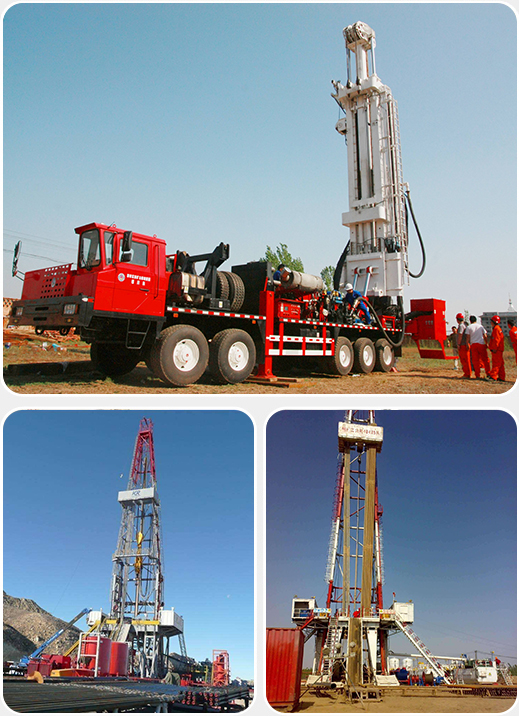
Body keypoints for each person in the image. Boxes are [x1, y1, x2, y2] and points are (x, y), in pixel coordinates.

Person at [464, 315, 490, 379]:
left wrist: (467, 344)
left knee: (475, 361)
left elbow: (467, 337)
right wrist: (486, 343)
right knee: (485, 359)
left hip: (473, 345)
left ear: (470, 321)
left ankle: (477, 375)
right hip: (481, 344)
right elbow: (485, 335)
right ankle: (488, 373)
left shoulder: (469, 327)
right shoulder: (480, 326)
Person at [488, 315, 505, 382]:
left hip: (497, 350)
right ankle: (501, 377)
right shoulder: (498, 328)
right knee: (500, 364)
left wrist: (494, 348)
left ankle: (493, 376)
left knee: (496, 363)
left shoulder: (496, 329)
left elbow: (496, 340)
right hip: (499, 349)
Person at [455, 312, 471, 379]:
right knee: (467, 359)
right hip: (466, 344)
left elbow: (460, 335)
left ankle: (467, 374)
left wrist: (458, 344)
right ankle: (468, 373)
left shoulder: (461, 326)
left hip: (463, 345)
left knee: (464, 360)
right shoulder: (465, 325)